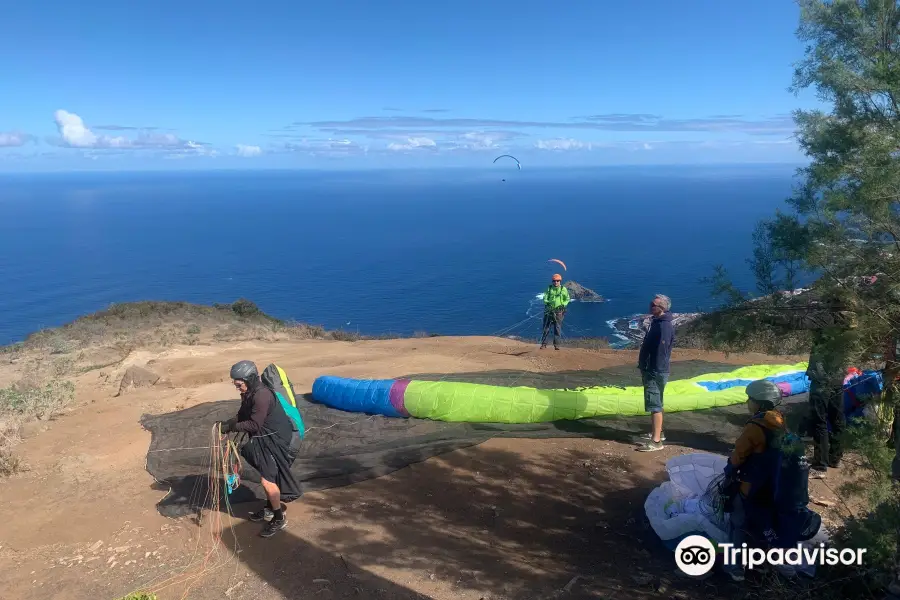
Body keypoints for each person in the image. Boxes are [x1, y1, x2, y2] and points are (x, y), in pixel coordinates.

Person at [720, 379, 813, 582]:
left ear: (759, 402)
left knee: (738, 524)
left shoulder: (755, 426)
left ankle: (734, 567)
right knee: (763, 525)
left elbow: (739, 456)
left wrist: (729, 469)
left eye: (750, 399)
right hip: (772, 487)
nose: (747, 402)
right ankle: (761, 566)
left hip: (751, 486)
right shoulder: (780, 421)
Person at [763, 290, 858, 478]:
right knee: (837, 417)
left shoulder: (829, 319)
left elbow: (798, 323)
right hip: (838, 376)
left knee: (819, 420)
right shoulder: (852, 320)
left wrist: (769, 318)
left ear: (834, 304)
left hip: (822, 377)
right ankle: (835, 458)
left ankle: (820, 463)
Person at [219, 360, 303, 538]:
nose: (237, 387)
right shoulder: (249, 393)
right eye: (235, 384)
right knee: (267, 476)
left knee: (267, 480)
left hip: (277, 441)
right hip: (263, 439)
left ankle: (278, 518)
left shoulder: (262, 395)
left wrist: (232, 428)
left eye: (239, 384)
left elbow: (254, 424)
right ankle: (269, 508)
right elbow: (243, 414)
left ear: (248, 379)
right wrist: (227, 424)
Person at [637, 294, 674, 451]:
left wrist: (652, 368)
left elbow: (662, 349)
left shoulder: (663, 326)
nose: (650, 306)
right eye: (650, 303)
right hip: (655, 368)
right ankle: (659, 432)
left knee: (655, 403)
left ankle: (656, 441)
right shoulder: (658, 322)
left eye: (654, 305)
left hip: (655, 370)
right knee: (657, 401)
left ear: (662, 308)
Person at [540, 274, 570, 350]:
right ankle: (544, 344)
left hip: (559, 311)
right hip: (549, 311)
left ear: (560, 281)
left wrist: (563, 304)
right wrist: (547, 302)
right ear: (552, 281)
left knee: (557, 328)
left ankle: (557, 345)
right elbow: (545, 297)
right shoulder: (549, 288)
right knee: (546, 328)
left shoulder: (563, 289)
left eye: (557, 281)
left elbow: (567, 299)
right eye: (554, 281)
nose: (556, 282)